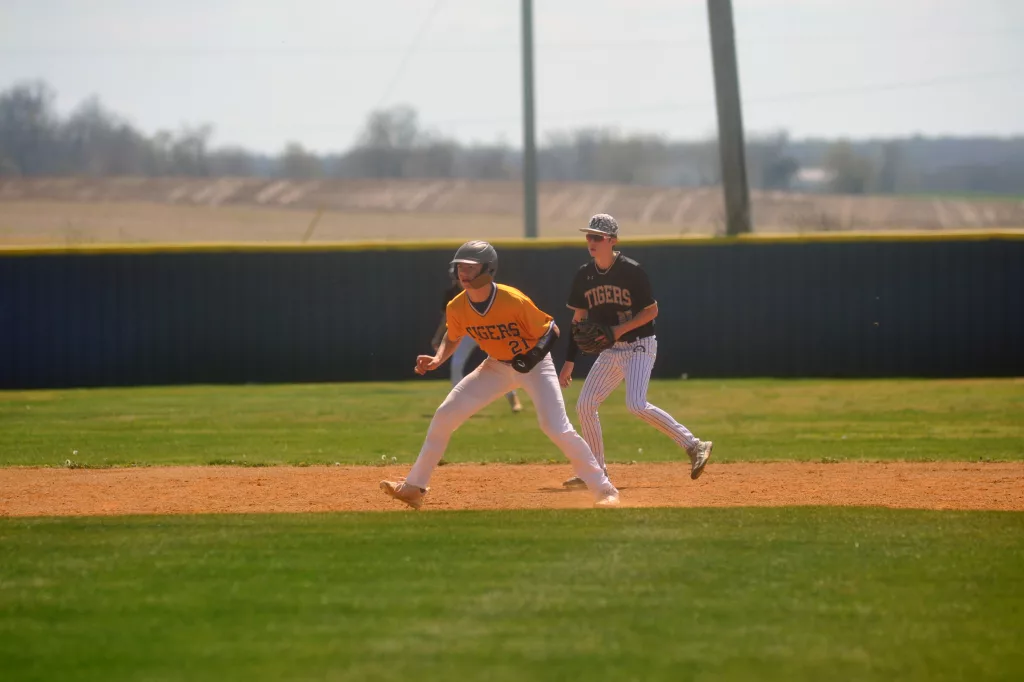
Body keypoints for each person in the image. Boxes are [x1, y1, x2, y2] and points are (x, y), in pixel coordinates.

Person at [381, 240, 619, 509]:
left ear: (488, 269)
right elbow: (453, 335)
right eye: (460, 267)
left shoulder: (512, 299)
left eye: (471, 267)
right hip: (495, 366)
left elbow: (550, 330)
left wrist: (532, 357)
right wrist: (438, 359)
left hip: (535, 366)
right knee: (445, 415)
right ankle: (414, 487)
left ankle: (604, 489)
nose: (463, 272)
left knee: (555, 426)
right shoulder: (457, 306)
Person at [559, 214, 713, 489]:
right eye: (589, 236)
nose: (591, 241)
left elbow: (652, 311)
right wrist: (569, 361)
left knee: (636, 404)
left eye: (597, 237)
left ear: (613, 240)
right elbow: (578, 320)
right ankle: (596, 472)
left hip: (640, 344)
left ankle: (694, 445)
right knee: (585, 405)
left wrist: (619, 330)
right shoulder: (584, 275)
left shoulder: (631, 271)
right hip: (611, 350)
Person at [431, 279, 523, 413]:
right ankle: (457, 402)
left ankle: (513, 398)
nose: (461, 278)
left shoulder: (484, 288)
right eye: (458, 275)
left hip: (486, 330)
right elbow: (447, 318)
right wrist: (437, 336)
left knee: (503, 363)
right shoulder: (452, 293)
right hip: (466, 332)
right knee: (456, 364)